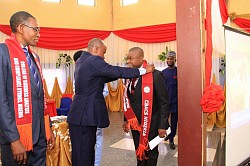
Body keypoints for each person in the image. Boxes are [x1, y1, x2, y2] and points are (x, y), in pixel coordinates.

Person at [67, 38, 155, 166]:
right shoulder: (94, 60)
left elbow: (109, 75)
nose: (103, 57)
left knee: (83, 155)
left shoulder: (82, 61)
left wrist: (126, 72)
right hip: (84, 117)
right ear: (96, 49)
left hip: (81, 116)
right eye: (103, 53)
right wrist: (143, 71)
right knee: (84, 157)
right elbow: (114, 70)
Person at [0, 11, 55, 166]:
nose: (39, 34)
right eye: (35, 29)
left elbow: (40, 95)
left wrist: (47, 128)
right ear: (21, 28)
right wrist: (14, 140)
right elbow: (1, 101)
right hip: (17, 138)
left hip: (39, 136)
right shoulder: (3, 52)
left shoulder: (34, 57)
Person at [123, 47, 169, 166]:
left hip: (152, 124)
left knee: (151, 153)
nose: (128, 61)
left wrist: (162, 125)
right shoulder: (129, 75)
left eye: (131, 58)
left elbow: (164, 102)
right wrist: (126, 119)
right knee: (139, 151)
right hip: (135, 123)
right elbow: (127, 99)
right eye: (127, 58)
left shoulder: (156, 75)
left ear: (141, 59)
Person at [72, 50, 108, 166]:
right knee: (86, 147)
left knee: (97, 142)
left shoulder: (97, 69)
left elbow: (105, 91)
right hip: (82, 114)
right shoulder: (78, 72)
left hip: (95, 111)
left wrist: (91, 99)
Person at [162, 51, 178, 150]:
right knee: (164, 120)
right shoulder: (163, 72)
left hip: (176, 101)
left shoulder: (178, 71)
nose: (169, 60)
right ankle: (169, 133)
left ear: (175, 60)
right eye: (168, 59)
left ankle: (171, 139)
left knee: (174, 121)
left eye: (171, 59)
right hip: (165, 101)